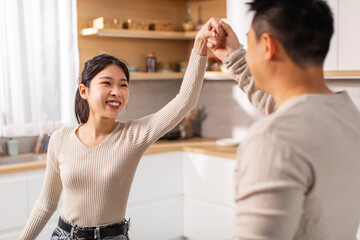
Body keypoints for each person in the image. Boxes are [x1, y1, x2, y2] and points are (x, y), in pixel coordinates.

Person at [19, 18, 224, 240]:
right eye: (107, 83)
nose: (117, 91)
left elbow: (185, 100)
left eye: (123, 84)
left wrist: (200, 44)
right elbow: (46, 204)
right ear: (84, 91)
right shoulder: (60, 139)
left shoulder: (133, 136)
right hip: (64, 235)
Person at [206, 0, 360, 239]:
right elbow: (285, 108)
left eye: (250, 42)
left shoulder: (273, 140)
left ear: (268, 45)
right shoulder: (349, 117)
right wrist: (234, 57)